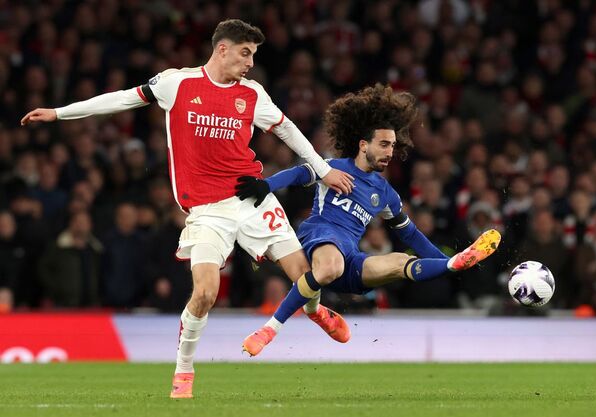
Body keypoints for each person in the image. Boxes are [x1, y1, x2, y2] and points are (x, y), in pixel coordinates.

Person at [21, 19, 355, 399]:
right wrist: (59, 112)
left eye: (254, 55)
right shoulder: (176, 83)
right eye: (245, 53)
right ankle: (183, 370)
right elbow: (121, 99)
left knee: (305, 276)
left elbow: (287, 129)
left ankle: (315, 311)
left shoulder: (252, 93)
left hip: (252, 200)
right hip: (207, 210)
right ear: (222, 49)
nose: (250, 63)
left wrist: (323, 170)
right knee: (205, 292)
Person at [237, 84, 501, 356]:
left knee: (399, 262)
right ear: (363, 145)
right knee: (331, 265)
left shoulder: (385, 193)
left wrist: (444, 262)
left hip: (349, 255)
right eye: (384, 144)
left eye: (393, 146)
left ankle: (453, 263)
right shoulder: (334, 167)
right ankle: (270, 329)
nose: (390, 152)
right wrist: (266, 185)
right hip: (320, 235)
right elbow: (298, 174)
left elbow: (410, 234)